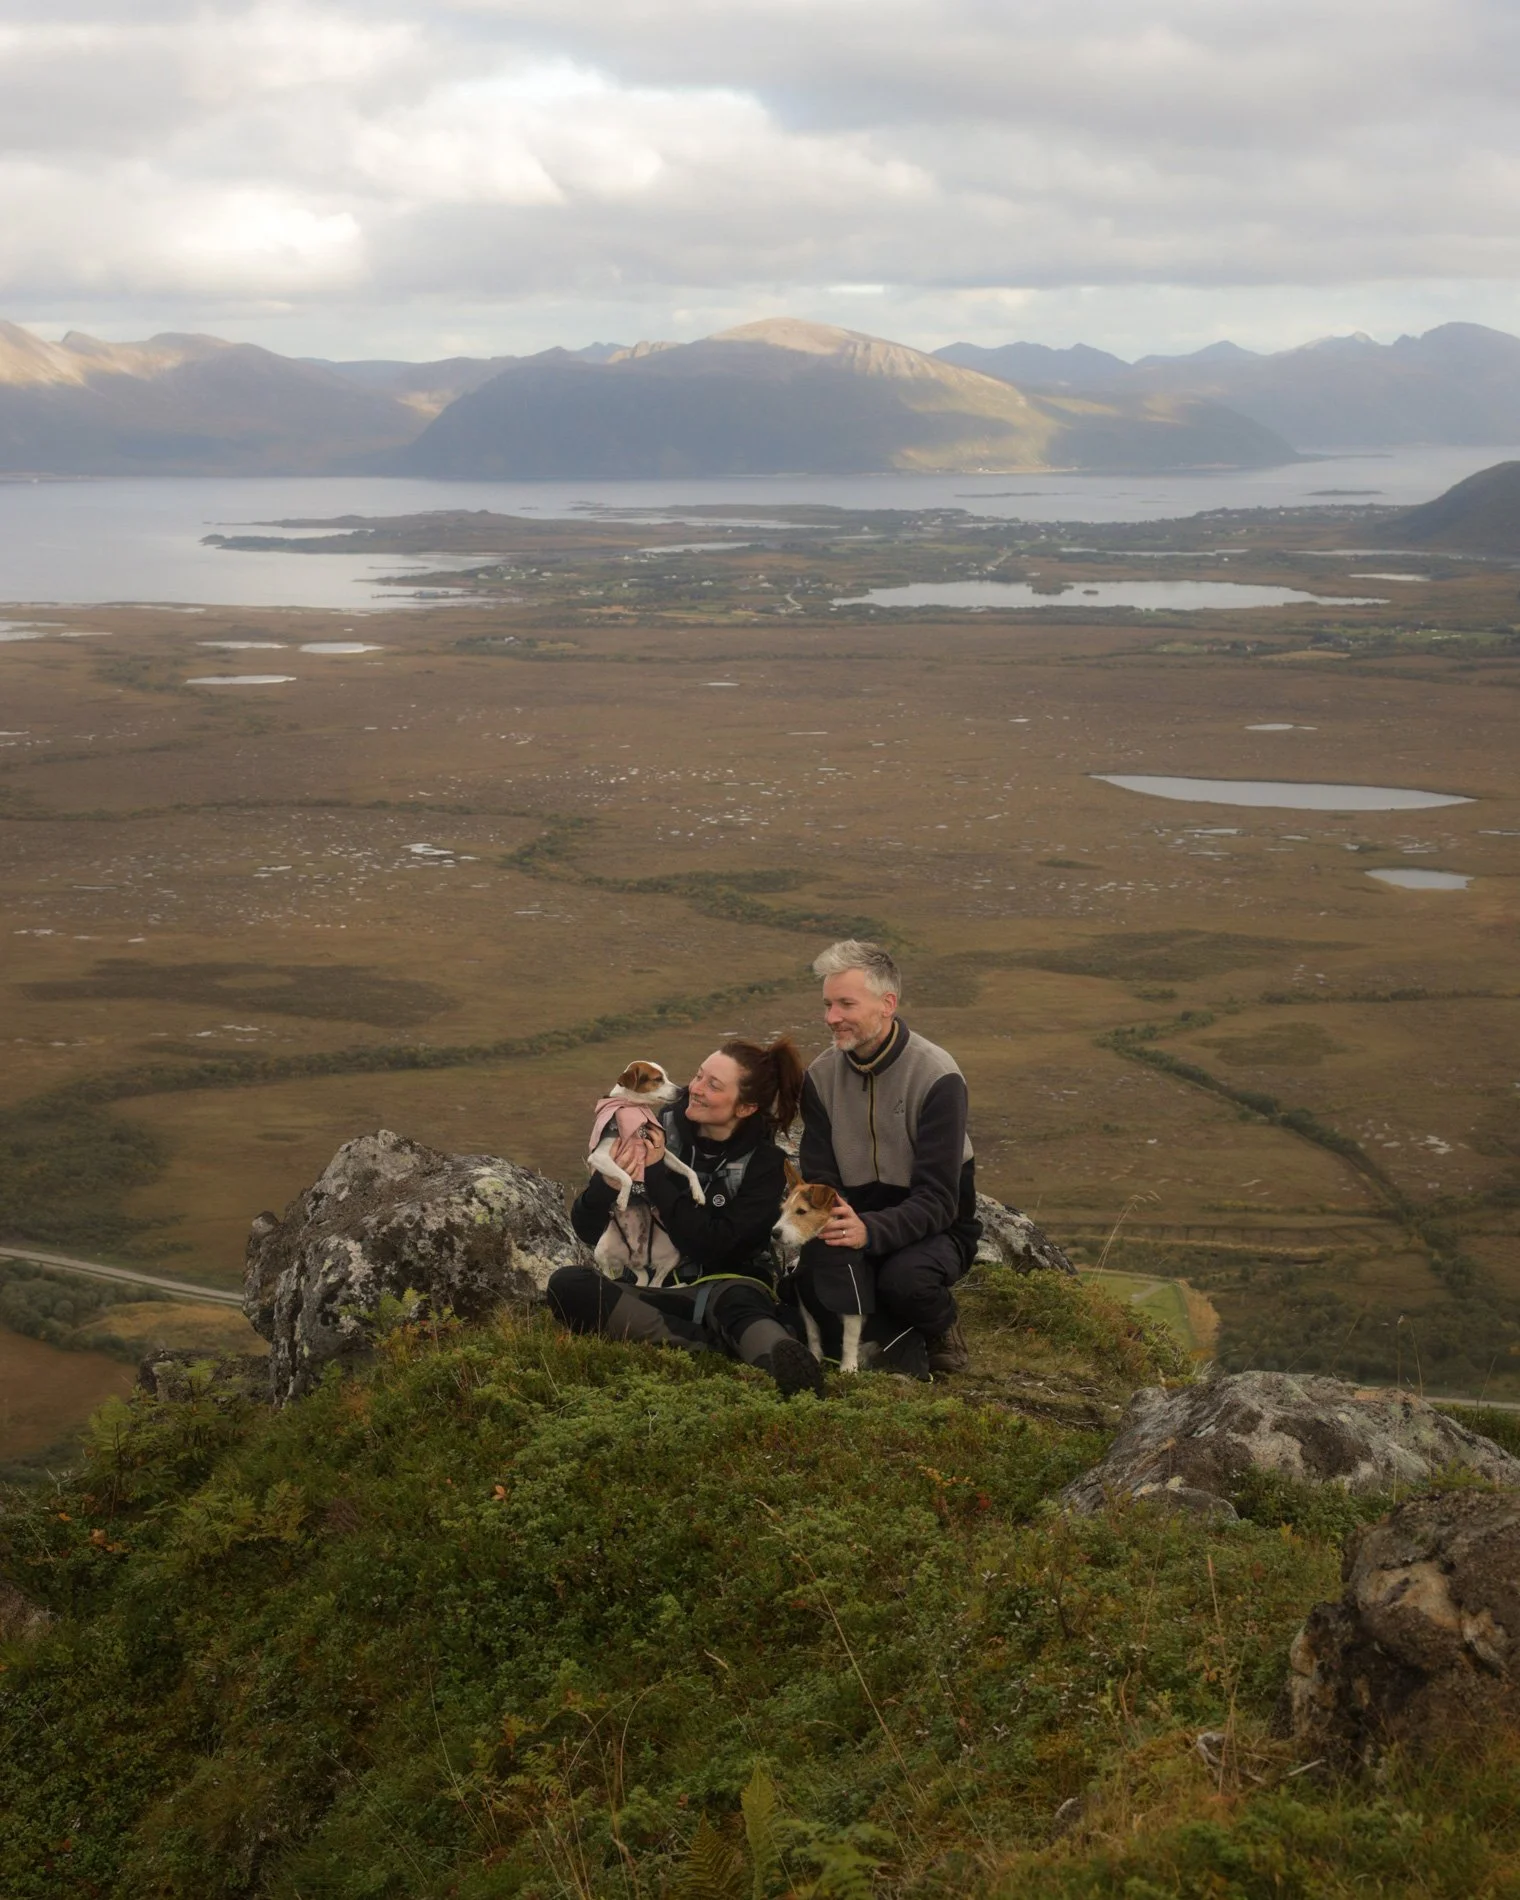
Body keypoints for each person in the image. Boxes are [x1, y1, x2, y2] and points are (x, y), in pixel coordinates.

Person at [546, 1036, 825, 1397]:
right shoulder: (647, 1125)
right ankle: (710, 1346)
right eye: (698, 1076)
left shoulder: (766, 1163)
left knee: (742, 1306)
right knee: (567, 1285)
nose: (695, 1089)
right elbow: (586, 1228)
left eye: (713, 1085)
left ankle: (783, 1367)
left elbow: (716, 1247)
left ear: (745, 1108)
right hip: (655, 1288)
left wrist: (657, 1172)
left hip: (728, 1285)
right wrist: (607, 1185)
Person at [799, 940, 979, 1375]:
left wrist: (871, 1232)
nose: (831, 1018)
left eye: (845, 1004)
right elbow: (822, 1182)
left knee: (904, 1280)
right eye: (827, 1004)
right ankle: (895, 1336)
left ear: (887, 1004)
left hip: (935, 1229)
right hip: (851, 1219)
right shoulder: (820, 1078)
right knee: (811, 1279)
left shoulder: (937, 1076)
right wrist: (843, 1225)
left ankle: (940, 1327)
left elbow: (940, 1199)